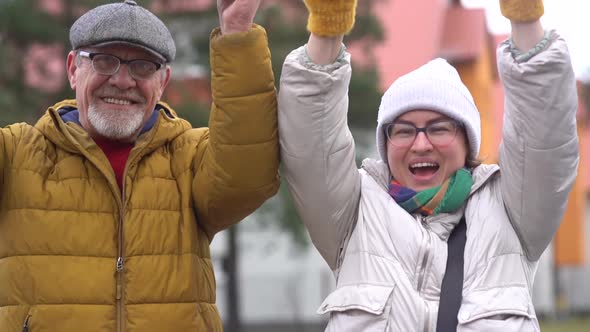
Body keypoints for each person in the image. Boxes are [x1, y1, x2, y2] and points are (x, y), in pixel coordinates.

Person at [279, 0, 578, 330]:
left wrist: (525, 18)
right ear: (386, 143)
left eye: (439, 128)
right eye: (404, 130)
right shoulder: (353, 215)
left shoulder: (512, 212)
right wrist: (327, 27)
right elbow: (310, 142)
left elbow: (543, 134)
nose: (421, 144)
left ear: (467, 143)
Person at [0, 0, 279, 331]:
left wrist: (237, 36)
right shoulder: (16, 155)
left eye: (143, 66)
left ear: (163, 81)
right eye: (104, 61)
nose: (122, 80)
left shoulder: (189, 159)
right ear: (74, 69)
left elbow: (247, 173)